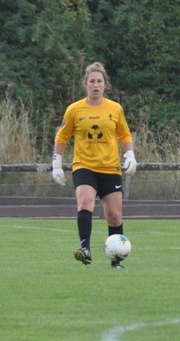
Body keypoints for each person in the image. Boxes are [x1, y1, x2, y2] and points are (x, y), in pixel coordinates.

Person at [52, 61, 137, 268]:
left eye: (99, 81)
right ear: (86, 84)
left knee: (115, 216)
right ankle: (85, 248)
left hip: (110, 167)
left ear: (105, 85)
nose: (96, 85)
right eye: (92, 81)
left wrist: (130, 154)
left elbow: (124, 134)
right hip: (84, 166)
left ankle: (116, 262)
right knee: (85, 203)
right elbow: (62, 137)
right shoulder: (74, 110)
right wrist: (56, 163)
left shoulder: (115, 109)